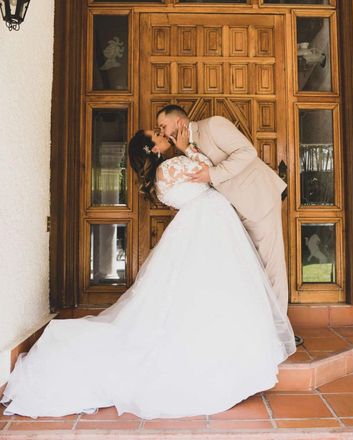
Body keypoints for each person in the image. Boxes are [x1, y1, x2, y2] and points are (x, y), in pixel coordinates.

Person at [0, 128, 296, 420]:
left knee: (202, 290)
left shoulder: (160, 177)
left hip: (205, 224)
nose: (163, 134)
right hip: (210, 224)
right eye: (157, 134)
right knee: (213, 288)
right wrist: (187, 147)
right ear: (152, 149)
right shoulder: (171, 166)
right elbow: (210, 170)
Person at [157, 105, 303, 346]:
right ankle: (259, 326)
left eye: (164, 126)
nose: (162, 132)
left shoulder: (213, 125)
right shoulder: (184, 148)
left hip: (258, 199)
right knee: (251, 267)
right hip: (233, 210)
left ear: (179, 121)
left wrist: (212, 174)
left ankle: (279, 331)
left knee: (270, 264)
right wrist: (186, 151)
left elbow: (248, 152)